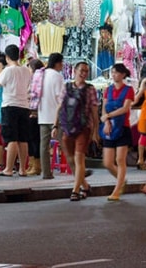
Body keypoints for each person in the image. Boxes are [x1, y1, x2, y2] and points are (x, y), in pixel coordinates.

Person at [60, 61, 99, 201]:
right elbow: (60, 106)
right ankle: (85, 186)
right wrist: (55, 125)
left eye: (86, 71)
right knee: (71, 160)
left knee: (79, 158)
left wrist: (95, 131)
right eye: (81, 70)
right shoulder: (66, 87)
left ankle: (75, 190)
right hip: (68, 127)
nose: (84, 73)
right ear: (75, 71)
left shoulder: (90, 89)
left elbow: (94, 111)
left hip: (84, 127)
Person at [0, 45, 31, 177]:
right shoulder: (26, 70)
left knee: (12, 139)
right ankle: (22, 169)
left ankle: (8, 169)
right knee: (23, 139)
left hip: (10, 106)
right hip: (24, 106)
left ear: (7, 57)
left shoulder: (8, 71)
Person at [100, 63, 135, 201]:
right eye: (112, 72)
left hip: (123, 127)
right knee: (107, 162)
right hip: (109, 128)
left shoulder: (129, 90)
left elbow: (125, 108)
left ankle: (117, 189)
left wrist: (108, 116)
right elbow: (104, 107)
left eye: (116, 72)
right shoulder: (107, 90)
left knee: (120, 159)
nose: (113, 75)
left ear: (123, 74)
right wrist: (106, 121)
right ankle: (121, 180)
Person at [38, 53, 66, 180]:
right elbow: (61, 98)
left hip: (42, 114)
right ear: (58, 63)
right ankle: (77, 170)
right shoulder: (57, 76)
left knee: (44, 146)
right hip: (56, 116)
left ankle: (46, 172)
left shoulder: (41, 75)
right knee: (65, 144)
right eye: (62, 63)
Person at [24, 59, 44, 176]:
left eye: (29, 69)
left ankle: (36, 166)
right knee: (31, 140)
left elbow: (32, 95)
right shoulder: (32, 80)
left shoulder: (37, 81)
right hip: (31, 112)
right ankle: (32, 164)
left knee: (34, 140)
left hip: (35, 113)